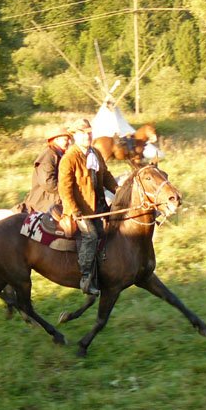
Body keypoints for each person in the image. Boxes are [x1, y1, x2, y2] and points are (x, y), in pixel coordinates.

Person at [59, 118, 118, 296]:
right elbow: (65, 188)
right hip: (79, 210)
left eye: (89, 132)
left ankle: (102, 272)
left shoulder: (95, 153)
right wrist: (75, 211)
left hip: (97, 206)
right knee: (91, 236)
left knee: (108, 233)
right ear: (75, 136)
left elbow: (105, 175)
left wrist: (118, 189)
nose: (88, 136)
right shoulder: (69, 158)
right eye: (83, 133)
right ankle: (85, 278)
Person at [15, 126, 72, 214]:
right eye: (65, 139)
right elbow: (48, 183)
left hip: (54, 200)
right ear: (56, 140)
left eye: (69, 139)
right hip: (44, 203)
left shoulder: (60, 155)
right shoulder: (49, 155)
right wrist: (66, 190)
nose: (69, 142)